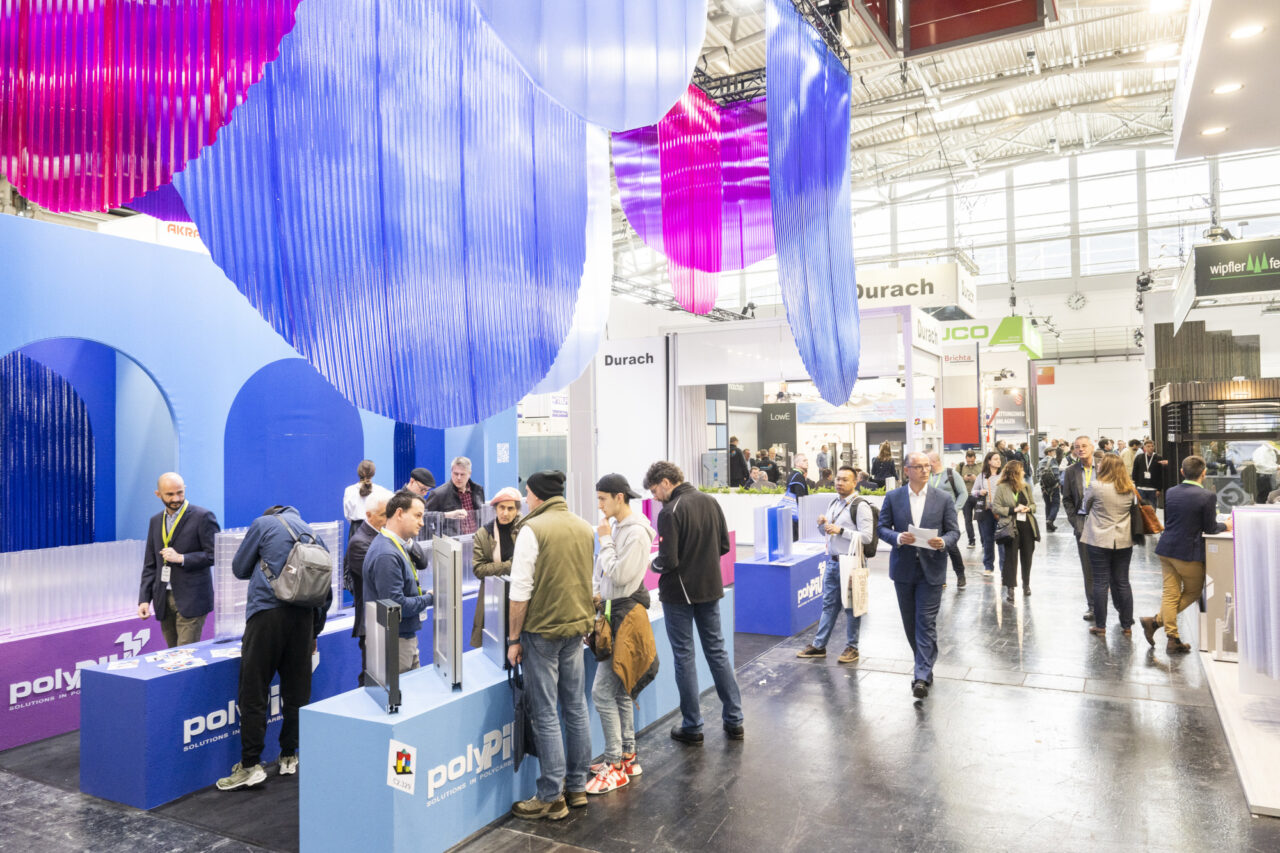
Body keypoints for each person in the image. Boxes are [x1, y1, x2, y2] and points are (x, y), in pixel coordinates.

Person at [217, 505, 332, 791]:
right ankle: (289, 756)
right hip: (304, 621)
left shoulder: (264, 523)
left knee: (254, 691)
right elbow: (325, 593)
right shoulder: (316, 535)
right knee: (296, 694)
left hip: (266, 616)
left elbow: (239, 568)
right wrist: (314, 631)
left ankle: (250, 765)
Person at [506, 471, 595, 820]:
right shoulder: (584, 527)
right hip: (575, 630)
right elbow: (587, 579)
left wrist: (514, 638)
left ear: (539, 496)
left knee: (545, 713)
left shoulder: (533, 530)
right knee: (575, 707)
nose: (525, 501)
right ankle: (576, 788)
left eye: (527, 495)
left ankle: (550, 796)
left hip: (541, 632)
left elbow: (520, 591)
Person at [643, 461, 744, 743]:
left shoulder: (669, 511)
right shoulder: (710, 501)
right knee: (717, 652)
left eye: (654, 490)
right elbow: (723, 546)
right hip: (711, 588)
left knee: (684, 657)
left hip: (679, 593)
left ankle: (692, 725)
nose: (654, 497)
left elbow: (669, 560)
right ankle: (735, 720)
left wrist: (653, 565)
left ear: (666, 482)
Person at [586, 474, 655, 796]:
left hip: (626, 617)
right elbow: (609, 575)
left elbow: (622, 573)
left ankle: (614, 766)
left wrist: (605, 541)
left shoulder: (635, 532)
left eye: (602, 499)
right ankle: (627, 756)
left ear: (619, 497)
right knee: (621, 690)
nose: (599, 505)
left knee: (603, 692)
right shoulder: (619, 527)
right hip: (616, 612)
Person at [877, 452, 961, 699]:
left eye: (927, 466)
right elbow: (881, 527)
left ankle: (921, 675)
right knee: (910, 623)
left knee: (925, 622)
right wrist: (897, 537)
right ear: (906, 471)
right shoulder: (893, 497)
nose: (925, 470)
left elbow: (954, 532)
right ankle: (924, 664)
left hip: (932, 569)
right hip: (903, 569)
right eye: (919, 466)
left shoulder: (943, 498)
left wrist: (943, 542)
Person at [1142, 456, 1231, 654]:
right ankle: (1155, 622)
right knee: (1192, 591)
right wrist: (1227, 525)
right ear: (1204, 473)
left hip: (1166, 549)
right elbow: (1210, 527)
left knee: (1170, 594)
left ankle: (1171, 637)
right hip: (1187, 553)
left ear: (1182, 472)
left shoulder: (1172, 492)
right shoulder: (1207, 496)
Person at [795, 466, 874, 664]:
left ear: (855, 482)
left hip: (853, 562)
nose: (839, 483)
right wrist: (822, 525)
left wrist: (841, 531)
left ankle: (852, 647)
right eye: (838, 479)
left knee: (852, 606)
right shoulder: (833, 503)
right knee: (829, 605)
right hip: (833, 562)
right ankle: (819, 645)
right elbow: (827, 534)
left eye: (845, 480)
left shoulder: (860, 505)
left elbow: (867, 537)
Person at [138, 473, 220, 648]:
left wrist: (182, 558)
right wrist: (144, 599)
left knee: (184, 657)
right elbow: (150, 564)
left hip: (192, 598)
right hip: (163, 598)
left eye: (180, 493)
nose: (176, 498)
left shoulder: (203, 517)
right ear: (158, 494)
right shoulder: (155, 521)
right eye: (170, 494)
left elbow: (214, 555)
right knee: (172, 654)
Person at [363, 490, 433, 672]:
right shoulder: (386, 554)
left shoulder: (396, 546)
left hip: (402, 639)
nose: (422, 522)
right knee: (399, 699)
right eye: (417, 516)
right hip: (394, 642)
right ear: (400, 513)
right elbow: (396, 606)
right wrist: (429, 598)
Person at [1082, 455, 1137, 637]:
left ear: (1105, 468)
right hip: (1123, 540)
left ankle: (1101, 625)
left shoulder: (1096, 486)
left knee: (1100, 582)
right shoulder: (1130, 488)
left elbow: (1085, 506)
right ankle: (1127, 625)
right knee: (1122, 582)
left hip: (1099, 540)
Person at [470, 487, 523, 649]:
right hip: (494, 595)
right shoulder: (483, 534)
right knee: (493, 645)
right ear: (495, 509)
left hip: (522, 593)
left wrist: (497, 567)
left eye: (510, 508)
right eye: (501, 508)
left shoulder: (526, 530)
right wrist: (511, 565)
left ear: (517, 510)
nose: (505, 513)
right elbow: (479, 569)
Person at [343, 494, 388, 686]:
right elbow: (381, 581)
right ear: (369, 515)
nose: (389, 520)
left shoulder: (385, 537)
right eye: (385, 514)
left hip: (386, 619)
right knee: (372, 681)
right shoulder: (360, 542)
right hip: (372, 623)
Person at [1062, 436, 1098, 622]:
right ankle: (1092, 606)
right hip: (1082, 522)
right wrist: (1074, 520)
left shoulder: (1104, 466)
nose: (1081, 449)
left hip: (1104, 521)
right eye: (1077, 447)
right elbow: (1066, 498)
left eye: (1084, 446)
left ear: (1092, 447)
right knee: (1088, 566)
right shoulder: (1070, 471)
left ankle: (1112, 605)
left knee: (1108, 565)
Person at [992, 460, 1039, 602]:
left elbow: (1034, 505)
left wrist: (1028, 508)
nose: (1024, 472)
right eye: (1022, 470)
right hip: (1010, 527)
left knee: (1027, 557)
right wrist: (1013, 510)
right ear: (1015, 473)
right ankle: (1010, 588)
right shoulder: (1001, 487)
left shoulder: (1026, 487)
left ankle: (1026, 584)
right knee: (1010, 559)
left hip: (1027, 527)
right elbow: (996, 507)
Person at [927, 451, 968, 587]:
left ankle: (960, 574)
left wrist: (955, 509)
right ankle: (941, 578)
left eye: (927, 462)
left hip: (948, 516)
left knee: (950, 546)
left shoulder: (951, 474)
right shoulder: (928, 476)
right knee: (935, 546)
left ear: (933, 461)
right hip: (932, 516)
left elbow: (963, 493)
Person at [426, 456, 486, 534]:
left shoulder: (478, 490)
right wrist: (446, 515)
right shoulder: (439, 494)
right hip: (453, 542)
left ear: (469, 474)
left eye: (462, 474)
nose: (458, 477)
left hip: (476, 539)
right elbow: (425, 517)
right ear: (451, 472)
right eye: (456, 474)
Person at [971, 452, 1003, 577]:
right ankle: (988, 566)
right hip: (986, 512)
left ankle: (1003, 567)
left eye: (999, 459)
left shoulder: (1003, 476)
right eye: (995, 459)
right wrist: (980, 491)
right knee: (988, 540)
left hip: (1001, 512)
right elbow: (973, 492)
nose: (998, 461)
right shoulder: (982, 476)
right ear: (989, 461)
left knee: (1001, 539)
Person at [342, 459, 392, 540]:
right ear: (373, 473)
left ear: (359, 472)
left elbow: (347, 514)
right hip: (375, 527)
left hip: (356, 529)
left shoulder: (349, 490)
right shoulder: (382, 491)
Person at [958, 451, 982, 547]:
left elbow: (986, 478)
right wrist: (963, 478)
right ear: (966, 458)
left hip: (978, 496)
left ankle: (984, 541)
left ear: (975, 458)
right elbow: (955, 478)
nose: (970, 463)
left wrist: (976, 479)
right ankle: (971, 541)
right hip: (966, 497)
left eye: (972, 461)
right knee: (967, 520)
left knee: (980, 519)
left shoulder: (981, 466)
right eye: (968, 461)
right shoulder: (960, 466)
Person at [1132, 440, 1165, 506]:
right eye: (1148, 446)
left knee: (1152, 509)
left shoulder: (1158, 458)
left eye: (1152, 446)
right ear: (1144, 448)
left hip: (1153, 489)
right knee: (1142, 508)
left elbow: (1161, 475)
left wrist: (1159, 489)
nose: (1151, 448)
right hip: (1141, 488)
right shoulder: (1139, 458)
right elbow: (1134, 472)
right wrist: (1136, 486)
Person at [1039, 460, 1062, 533]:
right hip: (1054, 487)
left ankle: (1048, 524)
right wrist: (1058, 483)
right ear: (1050, 452)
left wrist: (1042, 486)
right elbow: (1057, 475)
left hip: (1044, 488)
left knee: (1048, 505)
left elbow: (1038, 475)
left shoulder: (1040, 462)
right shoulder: (1054, 461)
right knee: (1056, 504)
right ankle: (1050, 520)